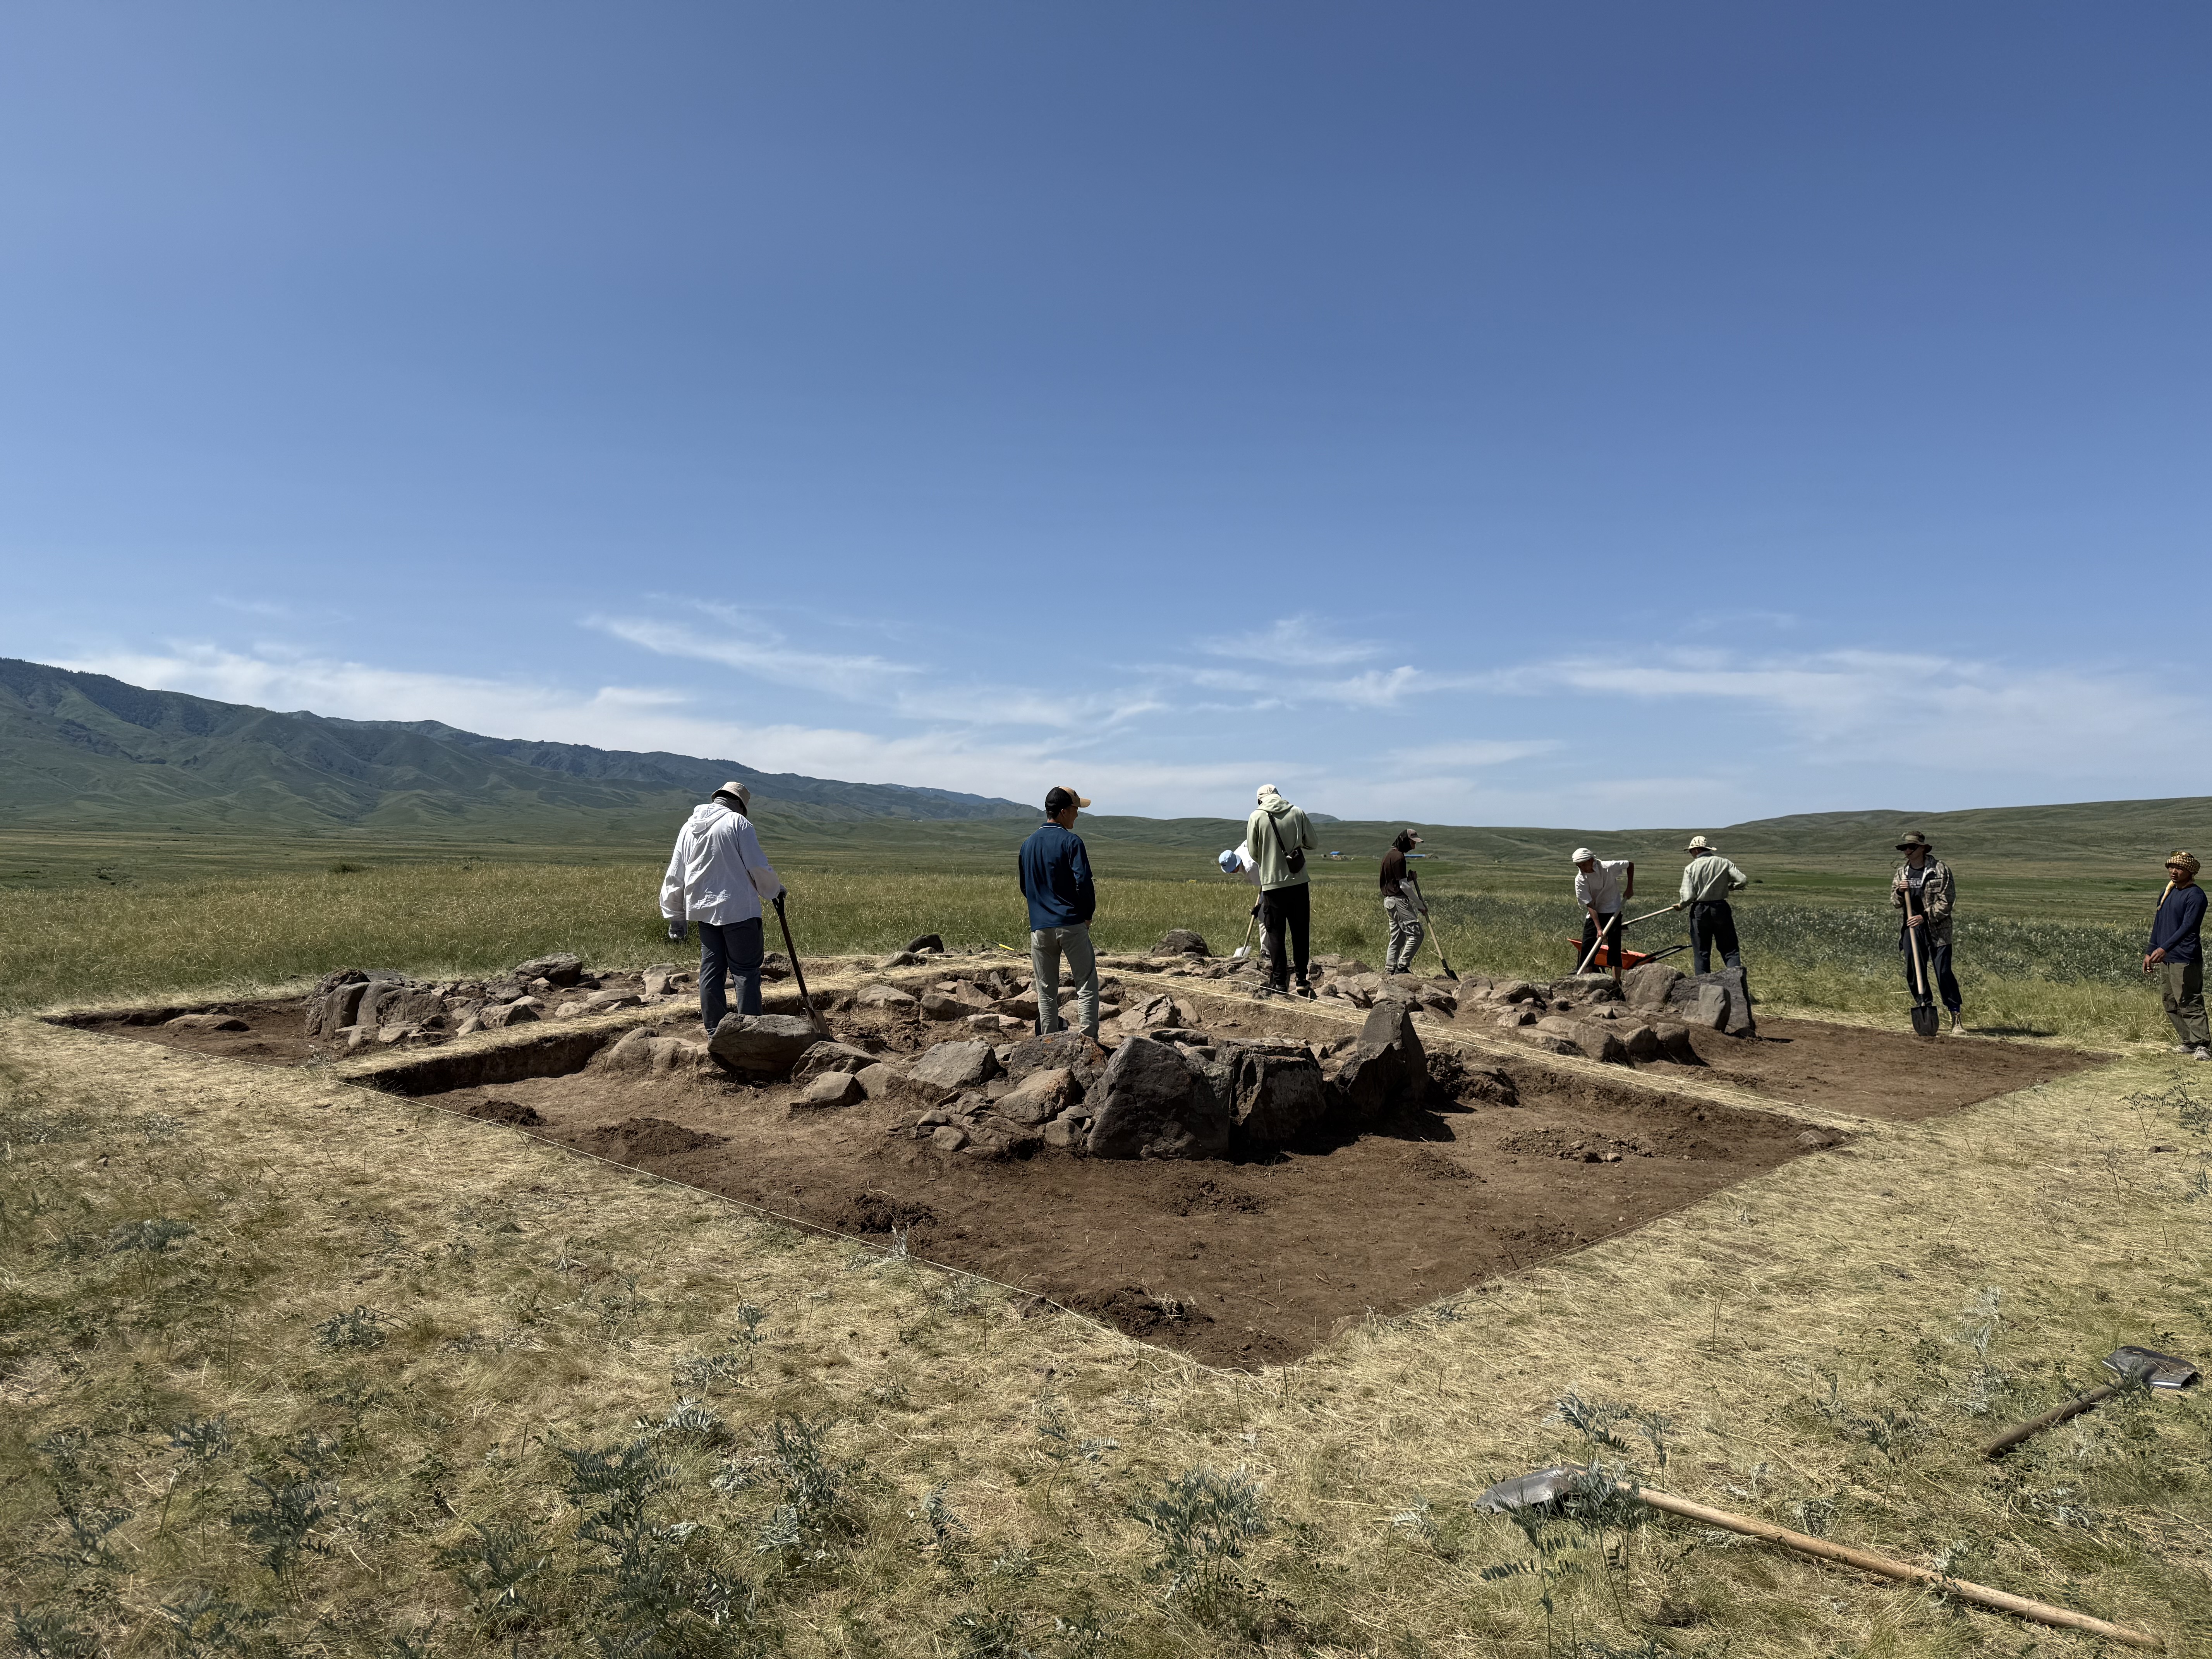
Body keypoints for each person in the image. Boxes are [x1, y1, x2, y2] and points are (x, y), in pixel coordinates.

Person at [660, 780, 785, 1037]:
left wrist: (675, 915)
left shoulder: (689, 827)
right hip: (738, 909)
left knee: (711, 969)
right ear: (739, 804)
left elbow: (676, 872)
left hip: (704, 912)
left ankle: (715, 1031)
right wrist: (775, 890)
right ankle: (750, 1031)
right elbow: (757, 867)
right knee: (745, 972)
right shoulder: (738, 823)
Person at [1019, 786, 1099, 1038]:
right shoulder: (1072, 842)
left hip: (1040, 927)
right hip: (1072, 923)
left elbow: (1025, 887)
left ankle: (1048, 1042)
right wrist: (1087, 914)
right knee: (1085, 983)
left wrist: (1041, 909)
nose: (1077, 815)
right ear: (1064, 812)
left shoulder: (1027, 845)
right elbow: (1083, 881)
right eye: (1076, 810)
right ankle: (1089, 1041)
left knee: (1046, 990)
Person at [1245, 783, 1317, 998]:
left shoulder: (1256, 817)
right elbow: (1313, 843)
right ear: (1279, 795)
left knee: (1276, 934)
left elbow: (1253, 851)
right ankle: (1303, 980)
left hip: (1272, 884)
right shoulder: (1297, 812)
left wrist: (1269, 862)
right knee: (1300, 932)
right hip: (1299, 882)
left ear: (1260, 800)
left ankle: (1279, 983)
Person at [1890, 831, 1963, 1034]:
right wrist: (1898, 892)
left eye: (1910, 847)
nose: (1906, 851)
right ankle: (1925, 1007)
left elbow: (1947, 901)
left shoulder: (1940, 870)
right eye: (1904, 848)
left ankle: (1955, 1015)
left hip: (1938, 930)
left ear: (1922, 848)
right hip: (1912, 930)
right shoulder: (1901, 873)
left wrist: (1925, 916)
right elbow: (1895, 903)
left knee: (1943, 972)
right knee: (1914, 973)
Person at [2145, 850, 2208, 1060]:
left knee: (2189, 1000)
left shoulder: (2196, 895)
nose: (2174, 871)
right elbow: (2159, 924)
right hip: (2167, 957)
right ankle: (2189, 1041)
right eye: (2171, 867)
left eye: (2179, 868)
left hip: (2185, 956)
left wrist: (2165, 948)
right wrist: (2150, 951)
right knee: (2170, 1001)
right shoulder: (2168, 892)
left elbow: (2188, 927)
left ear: (2190, 872)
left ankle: (2203, 1045)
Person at [1674, 834, 1748, 975]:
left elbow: (1688, 896)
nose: (1691, 854)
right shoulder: (1724, 863)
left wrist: (1681, 906)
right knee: (1730, 950)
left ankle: (1703, 986)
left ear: (1696, 850)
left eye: (1691, 851)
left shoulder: (1691, 868)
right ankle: (1736, 984)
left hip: (1700, 910)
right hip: (1720, 908)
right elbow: (1743, 880)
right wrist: (1731, 887)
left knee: (1702, 952)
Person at [1573, 847, 1634, 979]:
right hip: (1595, 913)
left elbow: (1630, 864)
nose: (1582, 867)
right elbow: (1590, 905)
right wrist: (1599, 929)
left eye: (1584, 864)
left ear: (1591, 860)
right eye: (1579, 865)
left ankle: (1616, 984)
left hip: (1613, 911)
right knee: (1588, 948)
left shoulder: (1608, 867)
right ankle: (1586, 983)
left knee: (1615, 949)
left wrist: (1630, 888)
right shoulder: (1580, 880)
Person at [1380, 829, 1428, 975]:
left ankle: (1390, 969)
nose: (1414, 847)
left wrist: (1409, 878)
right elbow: (1403, 887)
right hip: (1399, 901)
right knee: (1417, 934)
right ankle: (1402, 966)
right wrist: (1420, 904)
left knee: (1398, 937)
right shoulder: (1399, 857)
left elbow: (1397, 881)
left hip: (1389, 901)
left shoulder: (1389, 856)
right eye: (1412, 843)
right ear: (1404, 841)